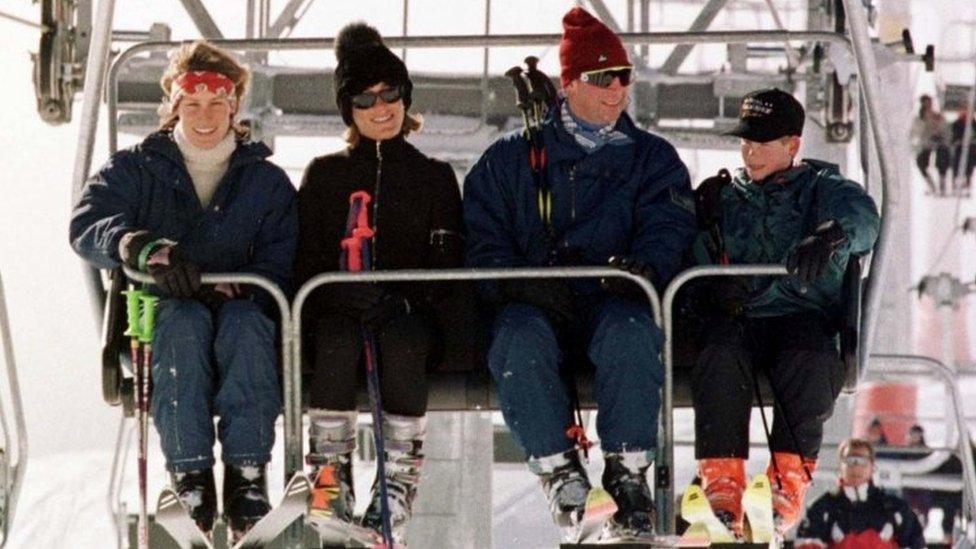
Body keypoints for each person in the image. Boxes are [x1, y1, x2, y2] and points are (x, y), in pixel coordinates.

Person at [464, 7, 697, 540]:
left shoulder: (653, 160)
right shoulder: (509, 161)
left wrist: (645, 268)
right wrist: (518, 282)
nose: (617, 90)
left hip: (612, 299)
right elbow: (483, 236)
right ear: (569, 84)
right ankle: (561, 476)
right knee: (518, 342)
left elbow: (669, 225)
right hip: (536, 305)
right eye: (601, 78)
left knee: (632, 335)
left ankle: (627, 473)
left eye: (624, 77)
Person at [69, 41, 298, 540]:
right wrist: (139, 246)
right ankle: (191, 474)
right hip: (169, 316)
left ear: (233, 107)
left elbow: (284, 255)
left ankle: (246, 474)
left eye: (217, 103)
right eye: (192, 103)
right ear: (174, 106)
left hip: (244, 316)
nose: (205, 115)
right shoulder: (136, 169)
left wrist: (251, 288)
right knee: (183, 322)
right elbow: (88, 224)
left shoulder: (265, 182)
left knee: (242, 325)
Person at [293, 22, 463, 544]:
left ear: (405, 97)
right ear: (349, 110)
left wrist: (403, 298)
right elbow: (307, 259)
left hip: (410, 315)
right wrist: (342, 292)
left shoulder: (434, 176)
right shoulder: (325, 175)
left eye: (390, 94)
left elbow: (449, 259)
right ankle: (331, 474)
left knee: (405, 340)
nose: (381, 107)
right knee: (338, 339)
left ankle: (396, 484)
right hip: (340, 312)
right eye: (365, 99)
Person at [689, 88, 881, 538]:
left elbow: (864, 218)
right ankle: (722, 483)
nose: (750, 152)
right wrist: (709, 288)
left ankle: (787, 481)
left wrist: (832, 235)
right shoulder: (721, 198)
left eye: (762, 142)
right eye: (745, 142)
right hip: (738, 318)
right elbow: (687, 240)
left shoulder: (822, 191)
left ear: (792, 145)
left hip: (800, 314)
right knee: (718, 352)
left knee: (810, 358)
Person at [794, 438, 926, 549]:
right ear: (840, 466)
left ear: (872, 467)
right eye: (850, 461)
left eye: (862, 461)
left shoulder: (895, 508)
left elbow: (916, 544)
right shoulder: (822, 508)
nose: (856, 467)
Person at [909, 94, 950, 194]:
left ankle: (942, 186)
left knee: (942, 163)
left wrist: (939, 128)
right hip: (925, 144)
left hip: (939, 144)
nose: (928, 105)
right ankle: (932, 186)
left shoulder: (937, 116)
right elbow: (915, 132)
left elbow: (945, 129)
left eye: (929, 102)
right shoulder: (919, 118)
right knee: (921, 164)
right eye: (926, 103)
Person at [950, 107, 976, 190]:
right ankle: (955, 181)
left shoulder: (973, 123)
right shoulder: (956, 124)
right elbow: (952, 136)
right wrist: (957, 141)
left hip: (970, 147)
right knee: (957, 163)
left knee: (970, 163)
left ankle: (968, 181)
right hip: (959, 147)